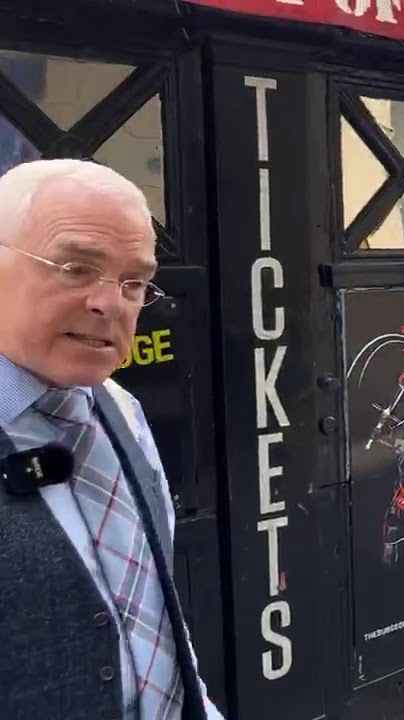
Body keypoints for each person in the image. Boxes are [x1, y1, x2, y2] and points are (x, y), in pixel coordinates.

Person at [0, 159, 223, 719]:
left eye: (134, 282)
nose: (110, 303)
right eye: (75, 267)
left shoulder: (122, 408)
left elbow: (149, 618)